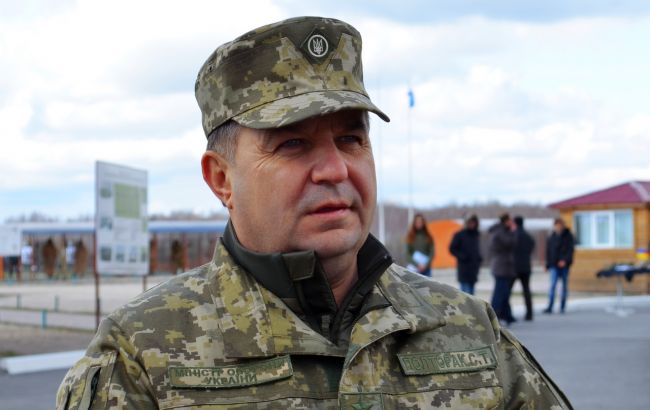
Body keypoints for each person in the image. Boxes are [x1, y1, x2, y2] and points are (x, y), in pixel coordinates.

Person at [57, 17, 571, 409]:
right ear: (221, 179)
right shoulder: (142, 355)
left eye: (351, 139)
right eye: (293, 144)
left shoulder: (469, 330)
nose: (335, 169)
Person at [489, 213, 517, 325]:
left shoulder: (500, 230)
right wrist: (513, 232)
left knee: (504, 293)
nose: (512, 223)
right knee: (500, 293)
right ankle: (494, 316)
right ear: (506, 221)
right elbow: (509, 243)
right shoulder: (500, 232)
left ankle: (507, 315)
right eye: (510, 220)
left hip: (503, 266)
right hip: (501, 267)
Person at [544, 218, 575, 314]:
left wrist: (565, 260)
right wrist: (547, 264)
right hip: (553, 265)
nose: (558, 227)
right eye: (556, 225)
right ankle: (550, 306)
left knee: (563, 286)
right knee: (552, 285)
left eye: (560, 225)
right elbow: (548, 252)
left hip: (564, 265)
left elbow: (570, 250)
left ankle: (562, 306)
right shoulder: (552, 237)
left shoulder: (568, 236)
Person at [449, 214, 482, 294]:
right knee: (465, 294)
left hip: (474, 269)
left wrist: (479, 258)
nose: (472, 224)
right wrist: (462, 256)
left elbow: (478, 249)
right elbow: (452, 248)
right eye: (470, 222)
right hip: (464, 268)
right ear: (466, 223)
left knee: (472, 294)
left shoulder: (476, 235)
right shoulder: (459, 235)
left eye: (473, 222)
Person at [513, 216, 535, 321]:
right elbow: (532, 246)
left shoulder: (513, 235)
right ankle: (529, 313)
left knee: (507, 291)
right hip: (526, 266)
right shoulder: (528, 236)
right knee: (526, 291)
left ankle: (506, 313)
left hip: (515, 266)